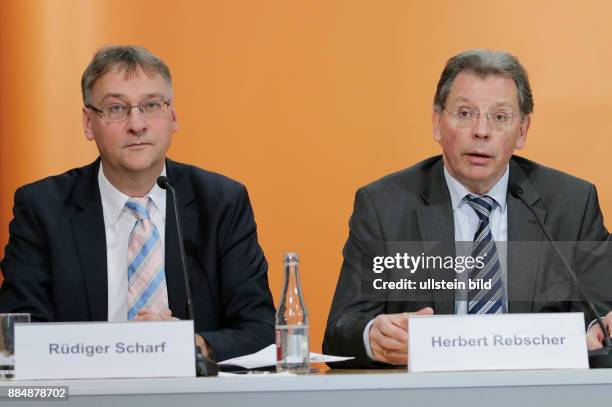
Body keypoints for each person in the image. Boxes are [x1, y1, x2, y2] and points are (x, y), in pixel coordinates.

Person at [323, 49, 612, 367]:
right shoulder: (385, 206)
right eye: (464, 113)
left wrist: (596, 333)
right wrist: (373, 336)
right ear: (437, 123)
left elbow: (600, 316)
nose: (481, 131)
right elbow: (340, 333)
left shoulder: (570, 203)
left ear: (523, 131)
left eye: (500, 117)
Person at [0, 45, 275, 362]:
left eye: (151, 105)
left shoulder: (221, 202)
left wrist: (191, 346)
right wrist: (126, 347)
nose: (137, 124)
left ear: (172, 117)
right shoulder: (42, 208)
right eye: (117, 108)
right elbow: (20, 335)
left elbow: (262, 328)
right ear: (89, 122)